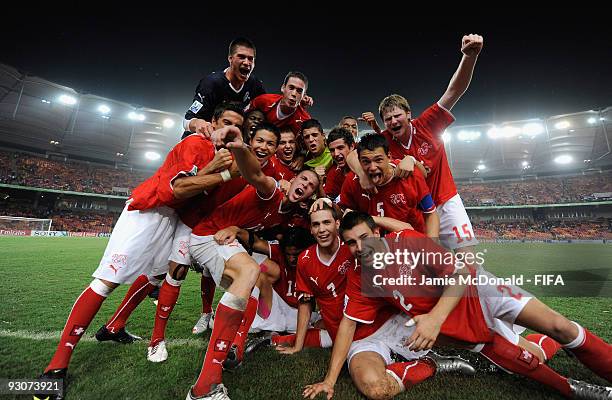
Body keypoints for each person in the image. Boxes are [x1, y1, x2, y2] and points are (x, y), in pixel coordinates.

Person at [38, 104, 245, 397]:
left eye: (237, 127)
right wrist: (223, 175)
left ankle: (114, 327)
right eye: (226, 123)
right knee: (106, 281)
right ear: (213, 123)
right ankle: (55, 368)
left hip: (171, 218)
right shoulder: (196, 143)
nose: (229, 131)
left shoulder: (218, 156)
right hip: (148, 211)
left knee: (156, 276)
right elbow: (180, 189)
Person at [303, 211, 612, 399]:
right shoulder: (360, 276)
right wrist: (330, 379)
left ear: (377, 233)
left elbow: (462, 272)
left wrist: (435, 317)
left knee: (560, 326)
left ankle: (571, 350)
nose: (359, 248)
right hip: (456, 324)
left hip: (480, 291)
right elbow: (348, 322)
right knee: (523, 363)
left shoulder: (408, 241)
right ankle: (574, 389)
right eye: (352, 244)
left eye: (364, 239)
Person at [184, 126, 320, 400]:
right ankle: (204, 388)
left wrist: (237, 228)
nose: (304, 186)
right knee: (248, 271)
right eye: (302, 179)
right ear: (291, 180)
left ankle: (236, 344)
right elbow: (254, 174)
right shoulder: (273, 191)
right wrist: (238, 145)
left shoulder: (286, 215)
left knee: (265, 271)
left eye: (311, 187)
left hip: (221, 237)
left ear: (309, 197)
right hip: (208, 235)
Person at [147, 123, 284, 363]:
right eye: (259, 141)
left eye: (270, 143)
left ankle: (212, 320)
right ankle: (157, 339)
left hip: (221, 230)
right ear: (250, 141)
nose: (263, 147)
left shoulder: (273, 171)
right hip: (193, 220)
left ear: (276, 148)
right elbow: (190, 184)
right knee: (176, 272)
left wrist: (235, 228)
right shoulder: (229, 157)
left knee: (249, 278)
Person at [338, 134, 439, 236]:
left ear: (389, 157)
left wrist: (430, 245)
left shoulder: (409, 175)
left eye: (378, 160)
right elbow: (343, 213)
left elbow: (430, 213)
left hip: (411, 243)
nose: (372, 167)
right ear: (359, 162)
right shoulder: (353, 181)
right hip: (374, 247)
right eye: (366, 162)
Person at [182, 37, 265, 138]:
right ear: (230, 58)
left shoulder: (255, 84)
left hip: (230, 141)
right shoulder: (211, 83)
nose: (247, 63)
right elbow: (187, 120)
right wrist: (198, 123)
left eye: (250, 59)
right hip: (204, 139)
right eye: (241, 57)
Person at [247, 71, 312, 136]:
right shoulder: (263, 101)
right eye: (291, 88)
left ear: (303, 96)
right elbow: (244, 119)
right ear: (283, 88)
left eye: (299, 91)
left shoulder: (305, 120)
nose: (294, 94)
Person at [323, 127, 355, 200]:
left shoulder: (366, 166)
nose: (336, 153)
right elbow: (328, 200)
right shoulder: (333, 173)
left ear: (352, 146)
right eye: (332, 150)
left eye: (340, 148)